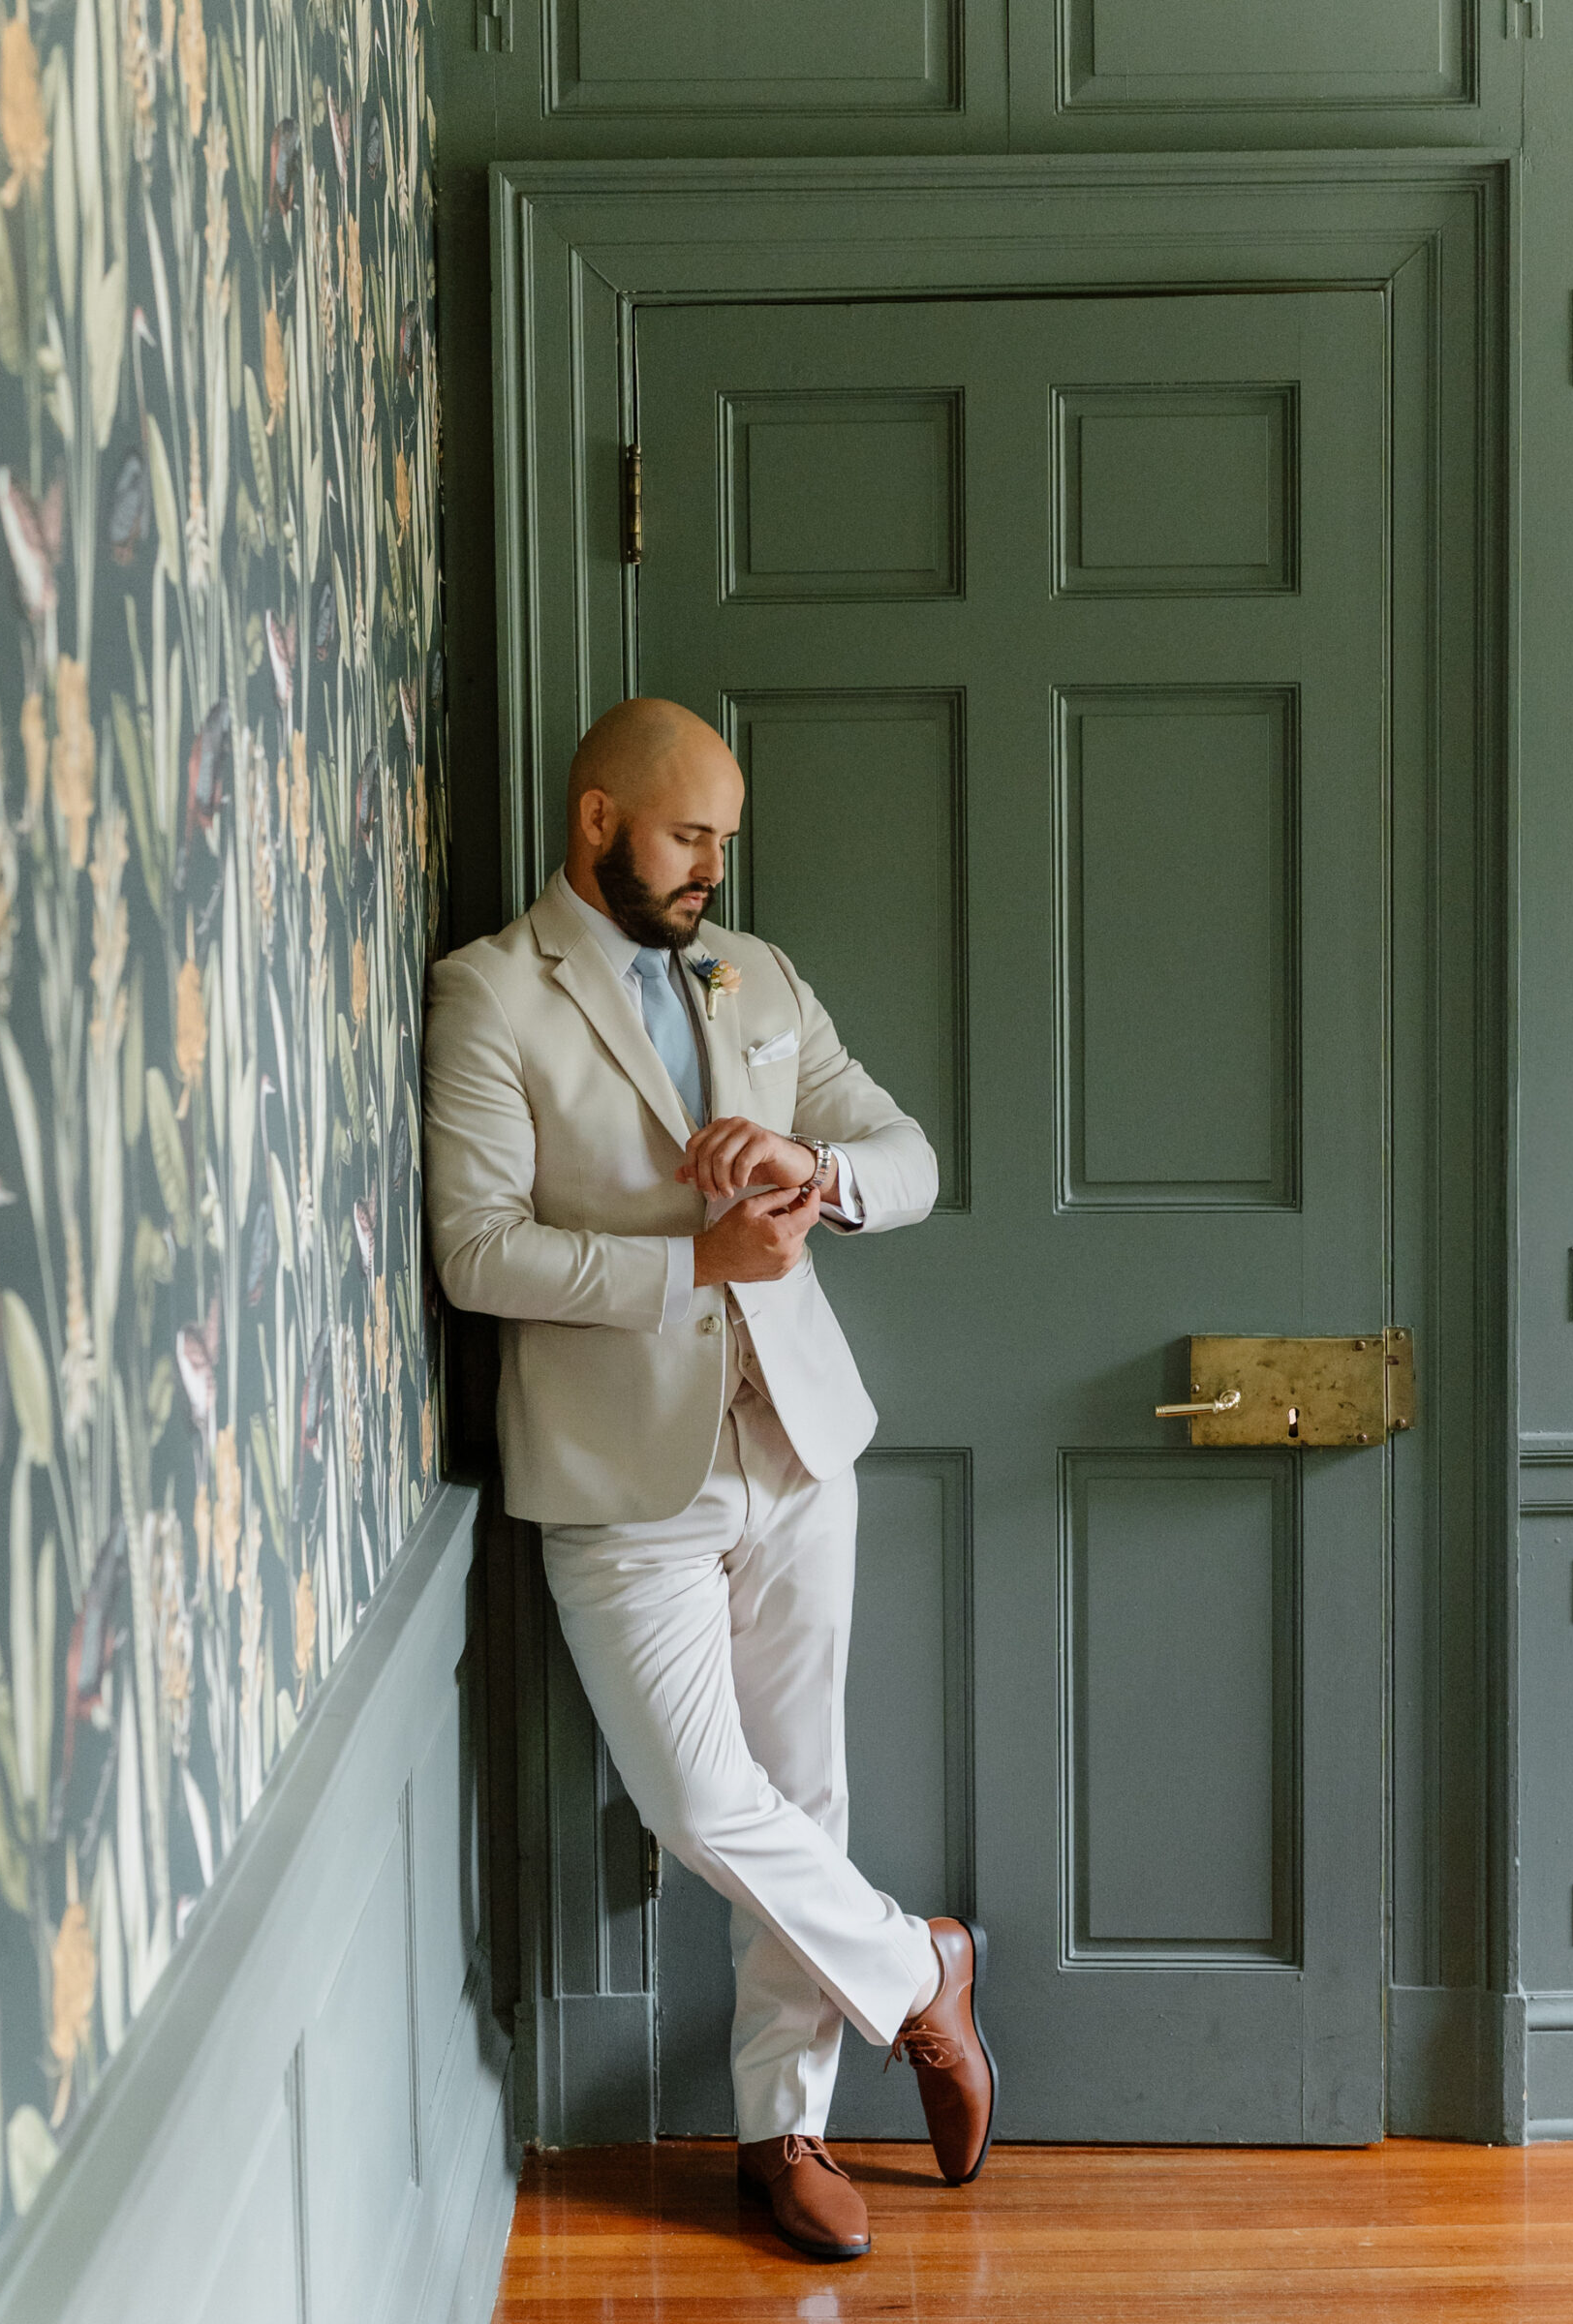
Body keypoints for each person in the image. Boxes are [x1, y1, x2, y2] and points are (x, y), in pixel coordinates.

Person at [422, 698, 997, 2260]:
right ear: (597, 819)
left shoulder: (756, 974)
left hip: (800, 1446)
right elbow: (477, 1251)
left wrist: (820, 1177)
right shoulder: (491, 995)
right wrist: (690, 1262)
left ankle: (784, 2128)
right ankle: (917, 1969)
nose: (711, 868)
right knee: (697, 1800)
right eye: (690, 837)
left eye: (725, 841)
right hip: (624, 1484)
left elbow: (910, 1151)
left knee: (802, 1792)